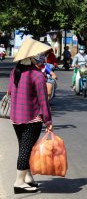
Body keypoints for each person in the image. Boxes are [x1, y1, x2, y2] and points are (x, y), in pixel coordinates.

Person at [8, 38, 53, 194]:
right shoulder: (37, 76)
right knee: (26, 150)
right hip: (32, 118)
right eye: (39, 54)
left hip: (15, 117)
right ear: (31, 57)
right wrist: (48, 120)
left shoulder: (15, 72)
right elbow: (43, 101)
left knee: (24, 147)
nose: (41, 57)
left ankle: (28, 178)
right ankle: (19, 182)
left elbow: (10, 92)